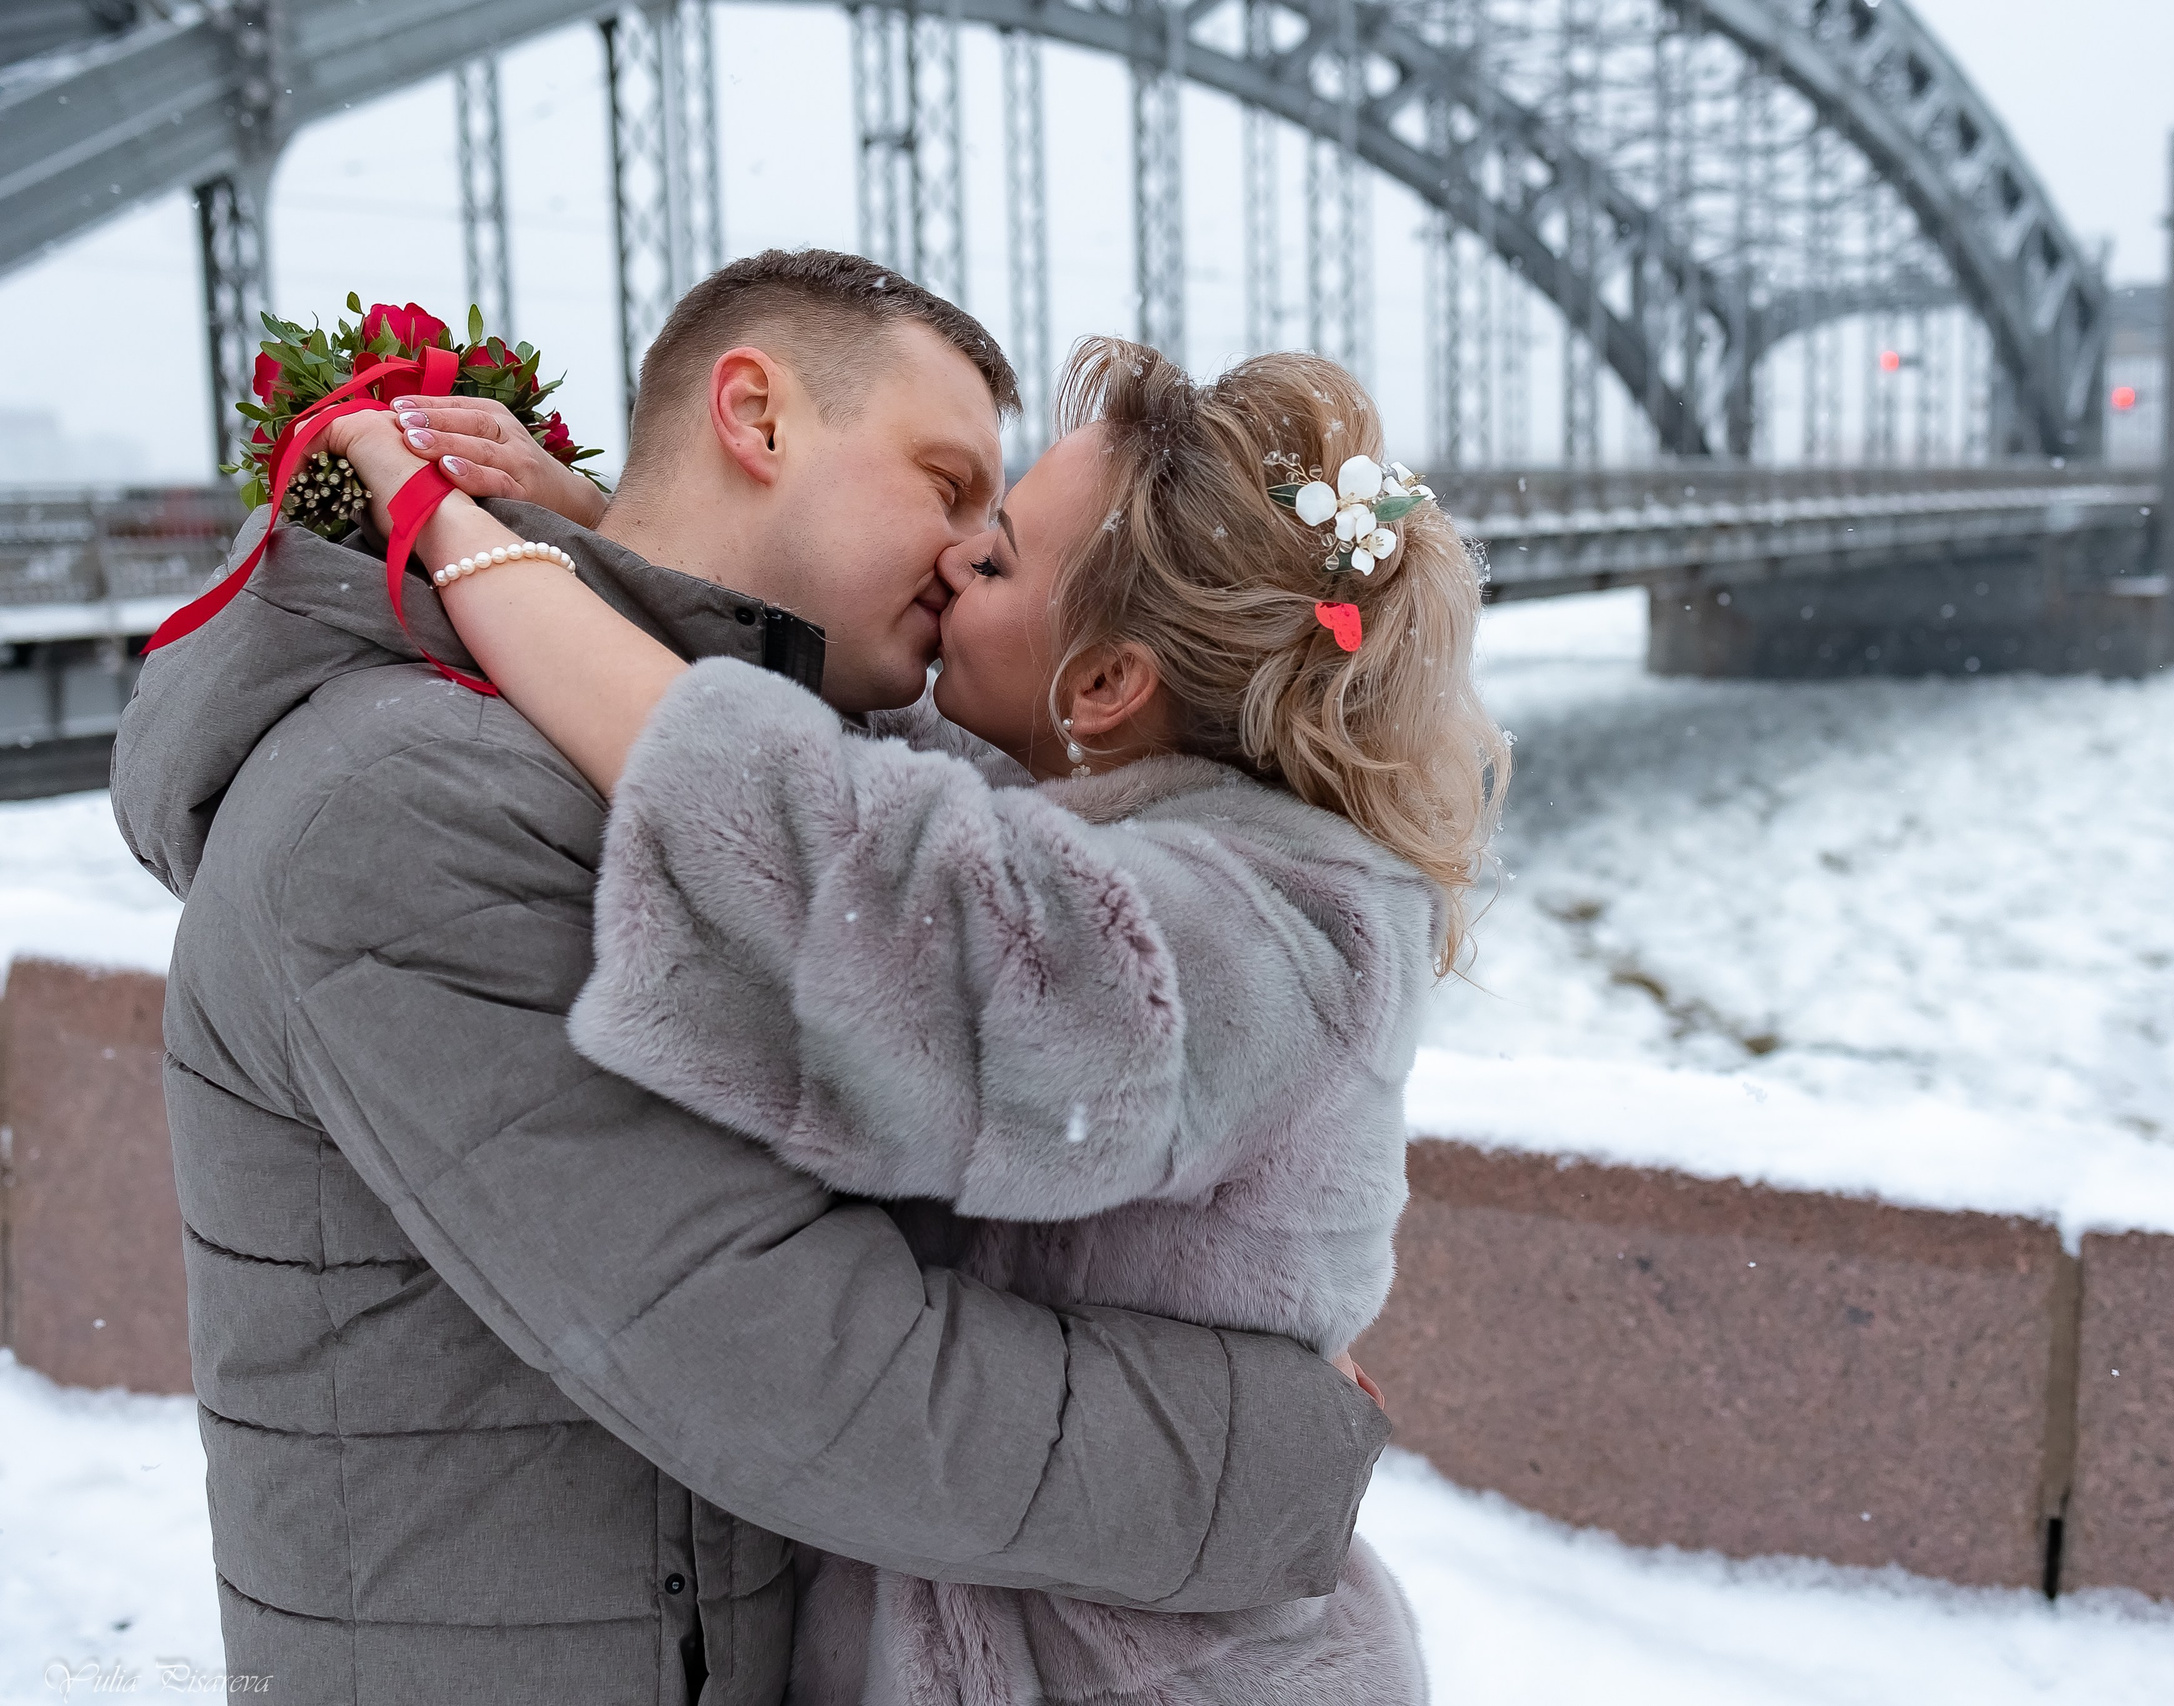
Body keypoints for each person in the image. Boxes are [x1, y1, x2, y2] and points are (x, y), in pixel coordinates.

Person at [109, 251, 1392, 1706]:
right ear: (758, 418)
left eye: (1001, 529)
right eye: (949, 481)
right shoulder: (409, 802)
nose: (968, 551)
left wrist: (578, 535)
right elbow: (815, 1387)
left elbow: (878, 814)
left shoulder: (779, 764)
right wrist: (1275, 1455)